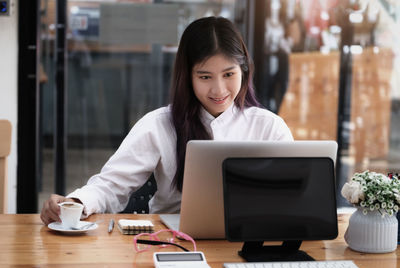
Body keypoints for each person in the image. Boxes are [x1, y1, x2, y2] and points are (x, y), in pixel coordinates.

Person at [40, 16, 293, 225]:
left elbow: (292, 193)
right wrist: (76, 203)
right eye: (205, 77)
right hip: (171, 239)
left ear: (244, 70)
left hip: (251, 239)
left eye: (229, 74)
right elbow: (110, 185)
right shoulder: (159, 124)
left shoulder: (269, 127)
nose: (219, 90)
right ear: (188, 76)